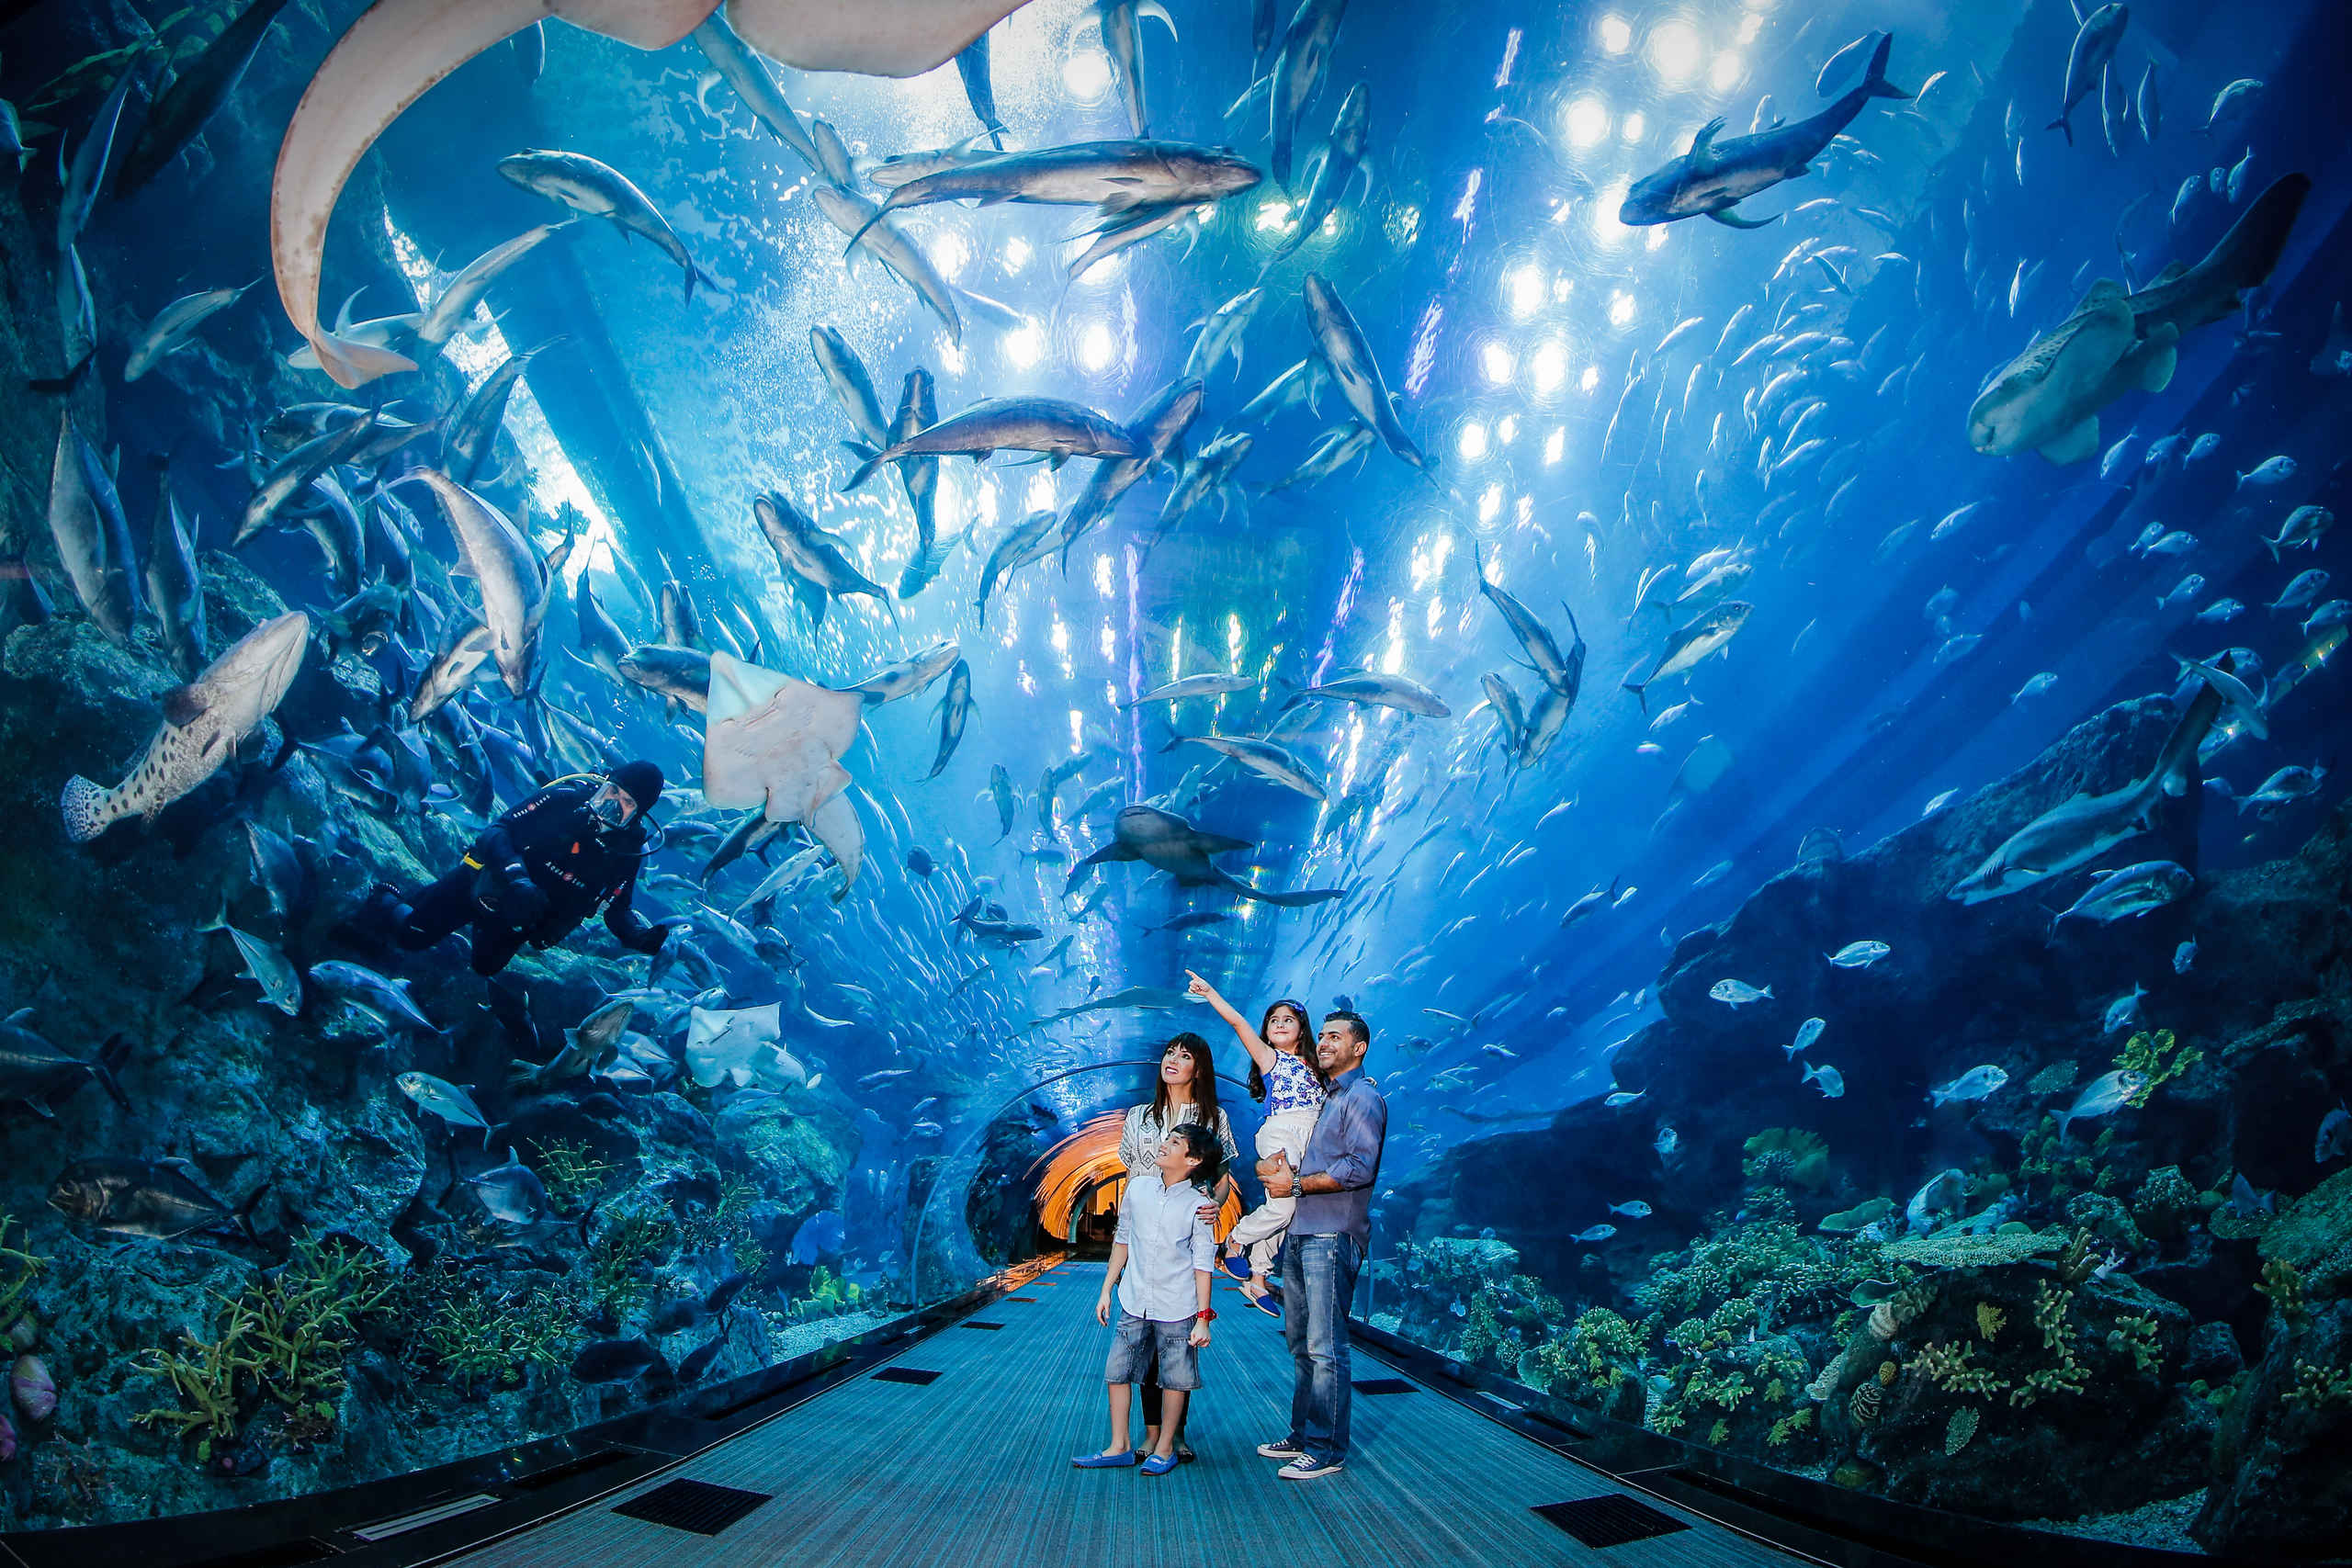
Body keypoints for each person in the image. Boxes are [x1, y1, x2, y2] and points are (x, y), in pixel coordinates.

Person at [380, 762, 673, 976]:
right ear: (604, 783)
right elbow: (498, 830)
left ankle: (430, 908)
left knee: (485, 967)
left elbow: (618, 909)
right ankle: (383, 899)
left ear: (637, 815)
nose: (613, 804)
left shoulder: (627, 853)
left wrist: (636, 936)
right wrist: (517, 877)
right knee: (411, 936)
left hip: (522, 918)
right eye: (612, 791)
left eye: (627, 803)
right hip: (485, 882)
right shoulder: (565, 799)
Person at [1256, 1010, 1385, 1481]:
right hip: (1303, 1231)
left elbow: (1359, 1167)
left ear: (1359, 1047)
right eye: (1323, 1035)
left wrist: (1296, 1187)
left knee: (1325, 1345)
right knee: (1301, 1343)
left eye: (1336, 1036)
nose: (1325, 1042)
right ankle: (1303, 1434)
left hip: (1332, 1233)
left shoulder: (1363, 1097)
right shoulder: (1326, 1097)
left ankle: (1327, 1448)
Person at [1072, 1124, 1223, 1475]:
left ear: (1193, 1159)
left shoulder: (1200, 1206)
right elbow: (1122, 1240)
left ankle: (1166, 1447)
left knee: (1175, 1378)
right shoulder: (1137, 1189)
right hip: (1134, 1298)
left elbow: (1203, 1264)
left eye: (1174, 1143)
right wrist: (1106, 1289)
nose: (1163, 1145)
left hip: (1178, 1305)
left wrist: (1203, 1317)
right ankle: (1118, 1445)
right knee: (1117, 1372)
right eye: (1166, 1139)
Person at [1116, 1032, 1238, 1463]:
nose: (1173, 1059)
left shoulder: (1214, 1118)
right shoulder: (1137, 1116)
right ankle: (1152, 1434)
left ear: (1198, 1069)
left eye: (1185, 1056)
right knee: (1142, 1335)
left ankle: (1175, 1433)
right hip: (1143, 1230)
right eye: (1170, 1052)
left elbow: (1220, 1178)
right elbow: (1132, 1172)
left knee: (1178, 1338)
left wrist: (1214, 1207)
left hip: (1184, 1236)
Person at [1185, 972, 1325, 1316]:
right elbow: (1237, 1023)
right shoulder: (1270, 1058)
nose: (1279, 1024)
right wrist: (1211, 992)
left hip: (1310, 1138)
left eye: (1287, 1020)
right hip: (1283, 1132)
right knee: (1284, 1207)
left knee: (1289, 1212)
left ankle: (1259, 1277)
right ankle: (1234, 1240)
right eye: (1273, 1020)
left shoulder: (1317, 1066)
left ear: (1302, 1029)